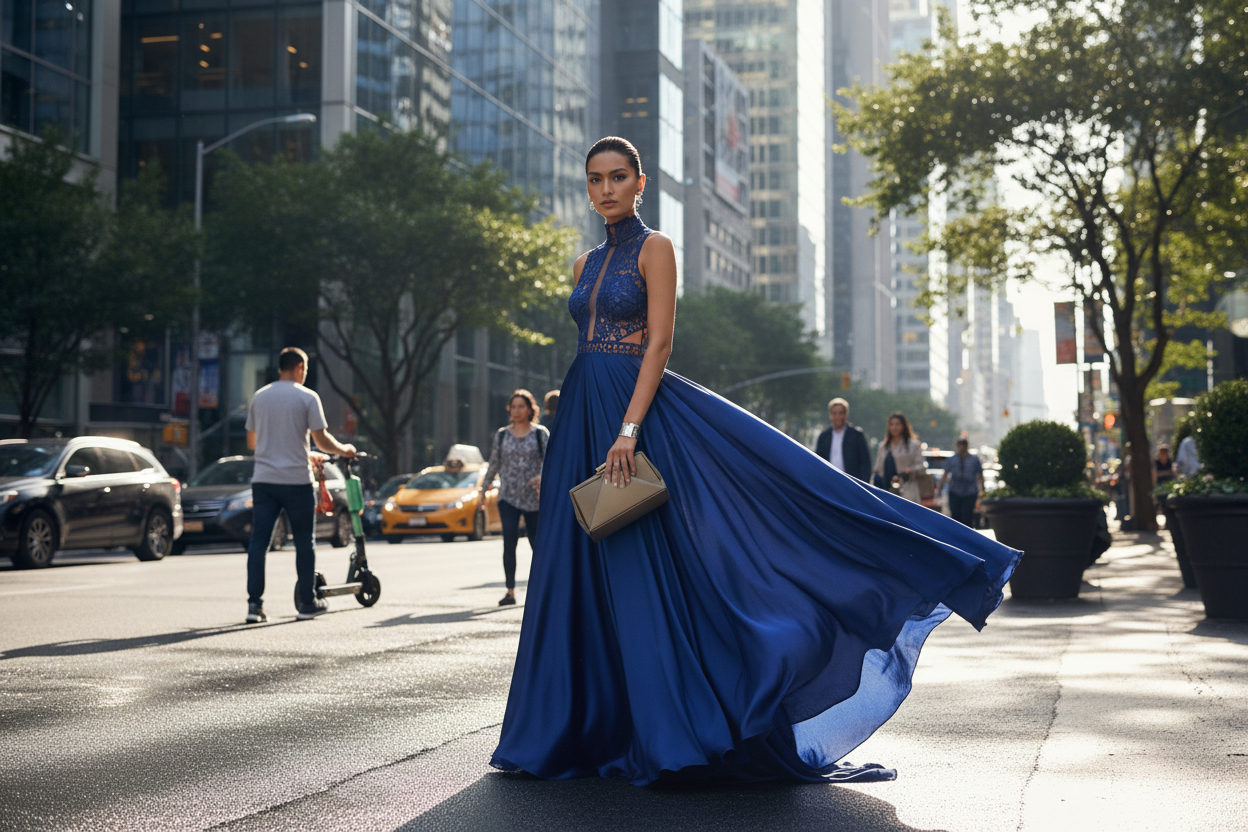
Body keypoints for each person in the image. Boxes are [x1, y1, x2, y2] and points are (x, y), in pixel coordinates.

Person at [489, 136, 1020, 787]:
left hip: (633, 417)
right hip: (578, 414)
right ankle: (568, 728)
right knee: (576, 573)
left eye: (618, 177)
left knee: (644, 565)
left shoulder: (657, 249)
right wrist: (582, 424)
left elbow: (659, 341)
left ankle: (667, 726)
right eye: (596, 178)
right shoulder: (582, 264)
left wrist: (629, 429)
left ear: (640, 183)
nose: (605, 188)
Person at [244, 347, 355, 623]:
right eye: (305, 369)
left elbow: (252, 444)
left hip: (264, 481)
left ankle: (254, 606)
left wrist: (283, 448)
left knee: (259, 543)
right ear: (299, 368)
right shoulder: (307, 397)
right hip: (296, 481)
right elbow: (322, 440)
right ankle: (307, 603)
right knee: (305, 542)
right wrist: (345, 450)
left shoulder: (260, 397)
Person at [480, 390, 549, 607]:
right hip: (508, 496)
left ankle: (542, 590)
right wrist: (483, 491)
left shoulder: (540, 433)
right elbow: (494, 463)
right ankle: (510, 592)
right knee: (509, 542)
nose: (516, 411)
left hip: (534, 498)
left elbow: (552, 461)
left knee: (536, 545)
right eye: (513, 407)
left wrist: (541, 476)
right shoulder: (502, 435)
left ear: (530, 409)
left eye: (521, 406)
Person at [813, 397, 872, 482]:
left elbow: (865, 463)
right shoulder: (824, 437)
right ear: (830, 414)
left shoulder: (857, 435)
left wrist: (864, 484)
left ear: (846, 414)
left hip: (851, 483)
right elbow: (818, 462)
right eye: (834, 413)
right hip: (829, 482)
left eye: (840, 413)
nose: (837, 417)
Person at [871, 412, 925, 503]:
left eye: (897, 424)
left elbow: (922, 467)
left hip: (907, 489)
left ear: (903, 426)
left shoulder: (913, 445)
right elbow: (877, 469)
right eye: (891, 424)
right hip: (887, 489)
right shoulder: (883, 446)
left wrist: (909, 470)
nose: (894, 427)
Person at [938, 438, 984, 527]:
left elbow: (980, 475)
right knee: (955, 517)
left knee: (968, 517)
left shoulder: (974, 460)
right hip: (955, 491)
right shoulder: (952, 460)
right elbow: (945, 474)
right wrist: (941, 488)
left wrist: (982, 490)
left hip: (970, 492)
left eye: (963, 445)